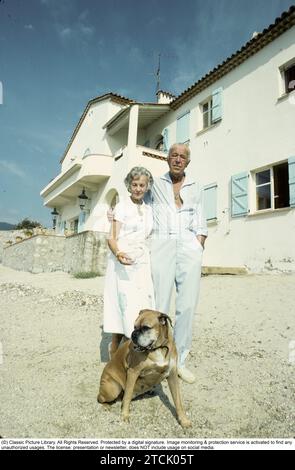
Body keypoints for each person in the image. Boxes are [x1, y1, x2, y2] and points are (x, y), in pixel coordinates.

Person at [147, 143, 208, 384]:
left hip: (189, 246)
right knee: (159, 305)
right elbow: (136, 195)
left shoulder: (195, 187)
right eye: (174, 155)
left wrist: (199, 243)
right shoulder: (156, 184)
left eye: (182, 157)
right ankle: (158, 359)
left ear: (187, 162)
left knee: (187, 306)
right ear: (167, 159)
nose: (178, 159)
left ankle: (179, 361)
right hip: (162, 244)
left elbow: (201, 218)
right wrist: (117, 215)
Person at [103, 167, 155, 358]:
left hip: (142, 261)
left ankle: (137, 351)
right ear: (129, 185)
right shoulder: (122, 206)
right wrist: (118, 253)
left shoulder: (149, 209)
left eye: (142, 185)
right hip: (123, 259)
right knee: (122, 304)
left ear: (147, 186)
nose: (138, 189)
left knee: (140, 305)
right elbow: (111, 237)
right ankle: (115, 352)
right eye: (134, 185)